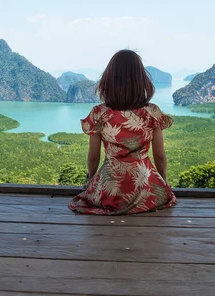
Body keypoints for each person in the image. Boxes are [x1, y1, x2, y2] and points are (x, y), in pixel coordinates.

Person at [68, 50, 177, 215]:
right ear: (141, 80)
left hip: (110, 189)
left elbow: (93, 157)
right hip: (145, 189)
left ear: (109, 80)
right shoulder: (152, 112)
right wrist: (163, 183)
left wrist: (90, 180)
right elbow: (160, 156)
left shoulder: (99, 114)